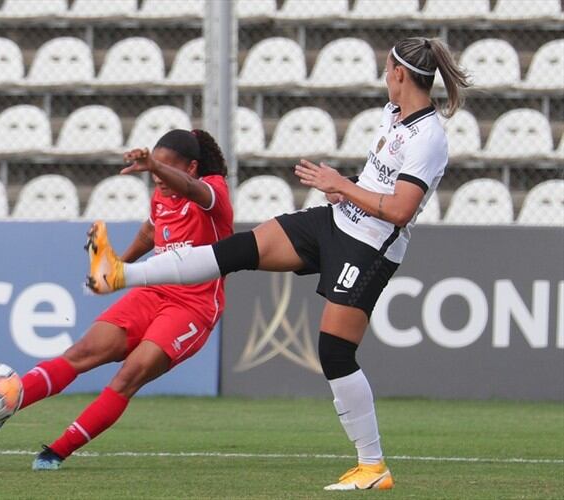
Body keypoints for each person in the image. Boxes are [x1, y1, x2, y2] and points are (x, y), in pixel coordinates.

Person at [85, 37, 470, 491]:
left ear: (400, 73)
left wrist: (340, 185)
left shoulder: (428, 137)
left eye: (387, 69)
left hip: (369, 248)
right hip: (335, 222)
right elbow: (379, 186)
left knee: (334, 352)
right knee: (237, 250)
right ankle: (121, 273)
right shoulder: (392, 116)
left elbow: (401, 210)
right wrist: (343, 188)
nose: (385, 77)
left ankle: (373, 466)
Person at [0, 129, 234, 471]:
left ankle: (56, 452)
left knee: (128, 375)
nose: (157, 179)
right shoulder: (161, 198)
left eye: (165, 170)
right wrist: (118, 268)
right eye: (153, 170)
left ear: (191, 168)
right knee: (81, 354)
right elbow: (151, 232)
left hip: (193, 306)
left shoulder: (213, 192)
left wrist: (154, 167)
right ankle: (10, 401)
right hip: (152, 294)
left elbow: (194, 189)